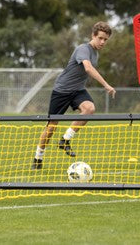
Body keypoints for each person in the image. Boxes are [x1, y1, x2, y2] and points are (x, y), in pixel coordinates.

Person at [32, 21, 116, 169]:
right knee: (51, 127)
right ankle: (38, 157)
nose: (103, 42)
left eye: (105, 39)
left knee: (89, 109)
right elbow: (88, 69)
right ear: (93, 35)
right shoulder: (83, 49)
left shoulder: (95, 53)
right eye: (100, 38)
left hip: (77, 90)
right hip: (62, 91)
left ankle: (65, 140)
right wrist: (106, 85)